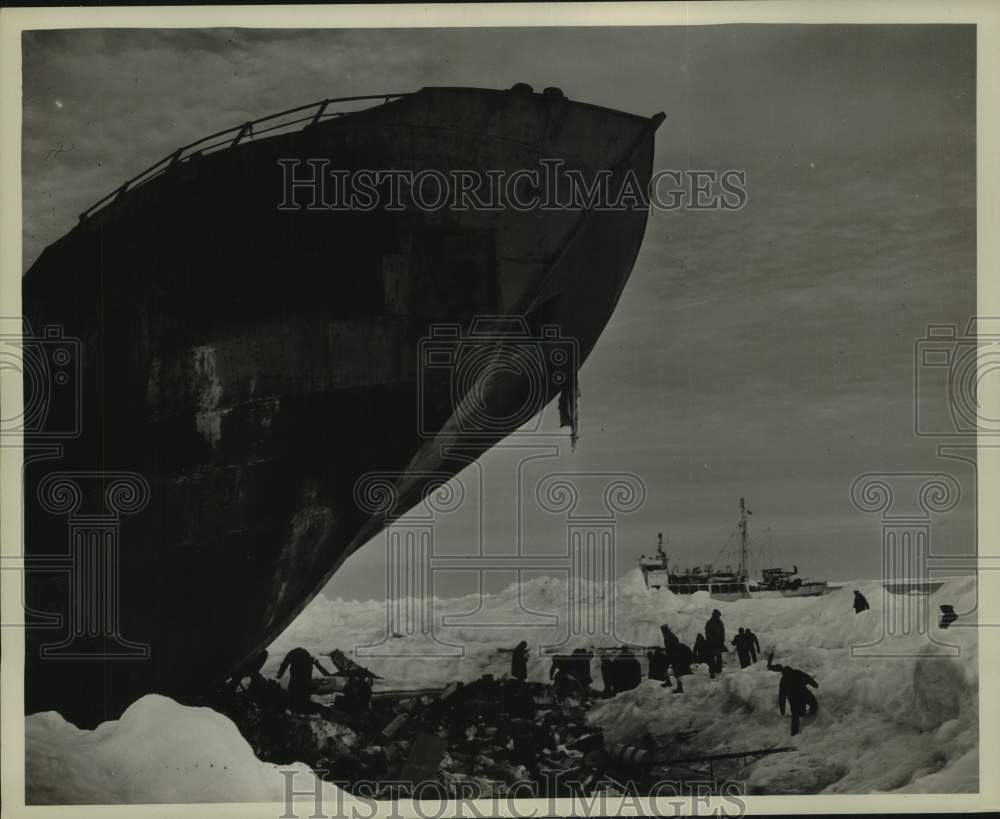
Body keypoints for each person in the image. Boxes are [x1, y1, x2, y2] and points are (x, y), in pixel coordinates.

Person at [767, 650, 819, 736]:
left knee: (796, 716)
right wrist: (815, 684)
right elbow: (808, 678)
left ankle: (794, 734)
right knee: (813, 704)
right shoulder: (798, 673)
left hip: (795, 699)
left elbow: (782, 696)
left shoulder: (784, 680)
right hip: (804, 694)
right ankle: (812, 721)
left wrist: (782, 709)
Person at [277, 646, 333, 714]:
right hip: (301, 694)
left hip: (296, 695)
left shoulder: (294, 688)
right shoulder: (306, 683)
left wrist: (279, 676)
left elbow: (284, 664)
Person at [704, 609, 726, 678]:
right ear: (714, 615)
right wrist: (712, 642)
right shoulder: (709, 623)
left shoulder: (720, 622)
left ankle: (718, 670)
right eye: (718, 615)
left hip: (719, 644)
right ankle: (712, 672)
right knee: (712, 659)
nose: (719, 617)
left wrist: (722, 640)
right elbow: (708, 634)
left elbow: (722, 632)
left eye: (719, 616)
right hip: (711, 645)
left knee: (719, 658)